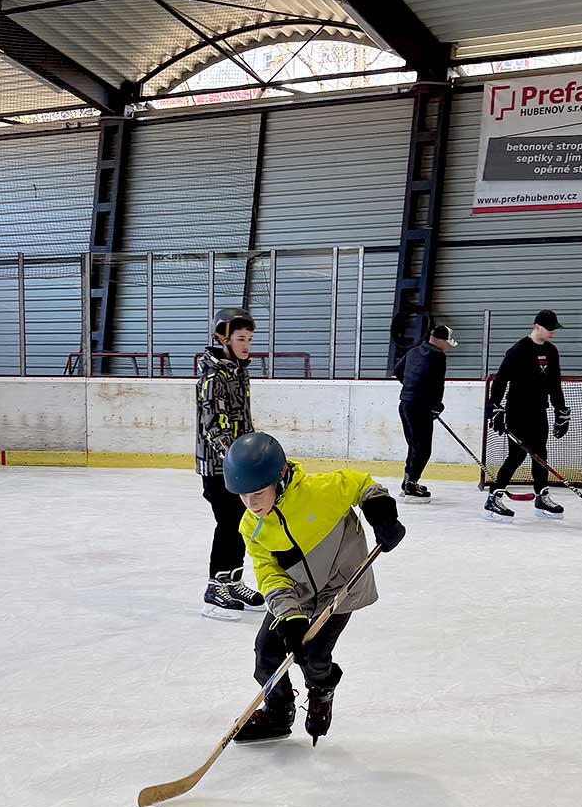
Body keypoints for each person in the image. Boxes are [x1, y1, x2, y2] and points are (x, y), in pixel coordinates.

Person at [221, 432, 405, 745]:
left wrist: (381, 513)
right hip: (298, 593)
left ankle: (322, 690)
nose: (251, 504)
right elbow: (270, 575)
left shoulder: (320, 491)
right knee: (266, 653)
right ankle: (278, 710)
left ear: (279, 478)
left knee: (315, 658)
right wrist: (290, 617)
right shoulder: (251, 527)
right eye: (243, 496)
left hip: (339, 587)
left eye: (259, 493)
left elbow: (360, 484)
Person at [195, 307, 265, 619]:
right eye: (240, 339)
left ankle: (232, 581)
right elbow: (214, 429)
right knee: (227, 523)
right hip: (219, 467)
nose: (246, 345)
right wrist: (238, 460)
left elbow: (241, 421)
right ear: (223, 339)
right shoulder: (213, 378)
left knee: (241, 522)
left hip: (237, 464)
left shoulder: (238, 371)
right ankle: (215, 587)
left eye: (249, 339)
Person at [484, 310, 570, 521]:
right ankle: (493, 499)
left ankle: (541, 498)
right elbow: (501, 380)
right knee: (517, 455)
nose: (553, 333)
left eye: (554, 329)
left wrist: (561, 410)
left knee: (540, 455)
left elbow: (554, 384)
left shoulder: (551, 351)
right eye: (549, 329)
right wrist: (495, 408)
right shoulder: (518, 350)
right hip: (518, 412)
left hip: (539, 410)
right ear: (537, 326)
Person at [393, 324, 458, 503]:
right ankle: (411, 486)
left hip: (405, 404)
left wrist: (411, 387)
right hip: (420, 407)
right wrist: (436, 405)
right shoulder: (438, 356)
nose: (448, 347)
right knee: (423, 449)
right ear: (441, 341)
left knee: (414, 446)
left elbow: (398, 371)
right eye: (447, 343)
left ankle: (408, 482)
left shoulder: (413, 351)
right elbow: (437, 384)